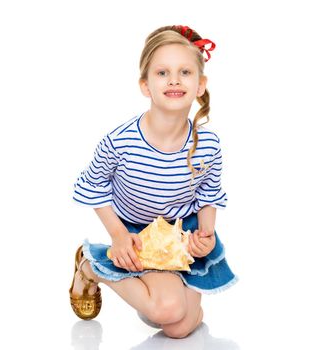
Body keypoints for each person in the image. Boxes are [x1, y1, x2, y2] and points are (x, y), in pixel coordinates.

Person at [69, 25, 238, 339]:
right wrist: (119, 235)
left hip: (179, 235)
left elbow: (208, 192)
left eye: (185, 71)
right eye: (162, 73)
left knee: (182, 327)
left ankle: (158, 294)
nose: (174, 80)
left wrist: (207, 234)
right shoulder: (121, 141)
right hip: (134, 233)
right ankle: (91, 266)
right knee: (166, 310)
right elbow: (90, 185)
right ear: (145, 85)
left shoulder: (209, 145)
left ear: (200, 85)